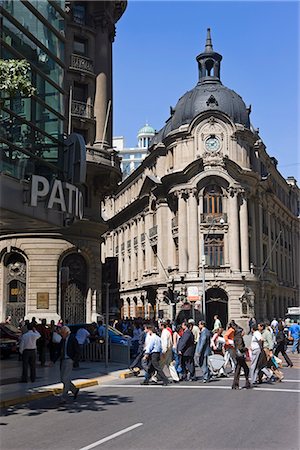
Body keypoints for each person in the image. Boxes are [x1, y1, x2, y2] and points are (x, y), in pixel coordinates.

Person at [53, 326, 80, 403]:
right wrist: (53, 361)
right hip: (63, 360)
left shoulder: (72, 339)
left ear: (67, 332)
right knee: (63, 378)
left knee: (65, 378)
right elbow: (59, 351)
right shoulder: (63, 340)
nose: (61, 334)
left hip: (69, 360)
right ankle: (74, 390)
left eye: (62, 333)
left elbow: (77, 350)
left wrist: (74, 360)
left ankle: (64, 396)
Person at [231, 324, 250, 389]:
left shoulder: (236, 337)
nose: (244, 333)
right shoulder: (239, 338)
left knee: (238, 369)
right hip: (240, 355)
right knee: (246, 369)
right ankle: (246, 382)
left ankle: (235, 384)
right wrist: (246, 349)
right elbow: (240, 348)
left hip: (237, 355)